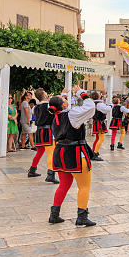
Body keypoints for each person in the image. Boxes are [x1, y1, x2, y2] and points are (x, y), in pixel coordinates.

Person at [48, 90, 97, 226]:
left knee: (63, 185)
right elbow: (90, 106)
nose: (66, 99)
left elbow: (60, 105)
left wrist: (63, 95)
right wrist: (82, 93)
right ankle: (82, 217)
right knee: (84, 186)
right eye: (64, 99)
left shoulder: (56, 117)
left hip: (60, 153)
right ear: (63, 105)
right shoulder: (72, 114)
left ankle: (54, 214)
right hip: (75, 153)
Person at [91, 91, 110, 159]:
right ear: (98, 96)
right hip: (100, 122)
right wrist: (110, 106)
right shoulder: (99, 104)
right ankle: (95, 153)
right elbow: (107, 109)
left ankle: (93, 151)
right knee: (101, 138)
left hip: (96, 121)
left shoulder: (93, 104)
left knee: (97, 138)